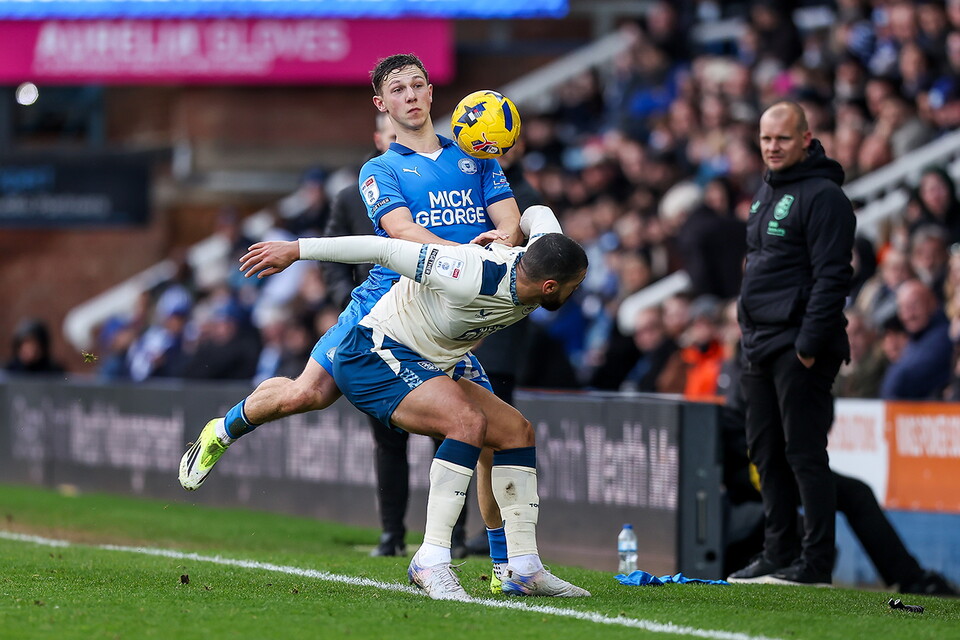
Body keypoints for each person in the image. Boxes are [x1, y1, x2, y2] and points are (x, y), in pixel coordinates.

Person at [179, 53, 523, 574]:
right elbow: (403, 236)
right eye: (397, 90)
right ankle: (221, 431)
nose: (409, 95)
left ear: (432, 94)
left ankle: (504, 568)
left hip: (449, 320)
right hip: (385, 311)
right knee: (307, 393)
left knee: (494, 439)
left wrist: (506, 238)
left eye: (417, 85)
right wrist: (470, 261)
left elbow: (510, 223)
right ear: (381, 105)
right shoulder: (379, 169)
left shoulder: (477, 156)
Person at [234, 204, 590, 600]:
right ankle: (430, 559)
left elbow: (538, 212)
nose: (577, 290)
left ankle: (523, 568)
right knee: (466, 423)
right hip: (374, 352)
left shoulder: (546, 250)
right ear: (550, 288)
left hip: (432, 359)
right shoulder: (466, 271)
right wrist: (296, 249)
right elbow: (383, 249)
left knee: (516, 433)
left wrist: (508, 230)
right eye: (575, 285)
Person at [729, 101, 855, 586]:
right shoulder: (765, 190)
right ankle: (778, 553)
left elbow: (833, 277)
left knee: (803, 453)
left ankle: (816, 562)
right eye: (765, 139)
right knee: (765, 453)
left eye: (782, 138)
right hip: (759, 342)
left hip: (799, 345)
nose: (772, 147)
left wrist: (807, 343)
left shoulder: (824, 197)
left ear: (805, 138)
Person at [879, 278, 953, 399]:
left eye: (914, 305)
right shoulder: (917, 336)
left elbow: (905, 379)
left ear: (932, 302)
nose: (908, 315)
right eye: (903, 308)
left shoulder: (944, 335)